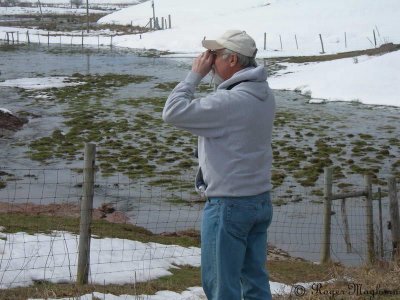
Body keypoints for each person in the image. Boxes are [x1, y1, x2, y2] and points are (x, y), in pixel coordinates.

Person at [162, 30, 275, 300]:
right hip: (259, 200)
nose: (209, 61)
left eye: (215, 56)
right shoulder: (263, 94)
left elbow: (172, 112)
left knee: (221, 287)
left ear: (233, 60)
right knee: (255, 281)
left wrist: (195, 76)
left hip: (229, 205)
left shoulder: (228, 102)